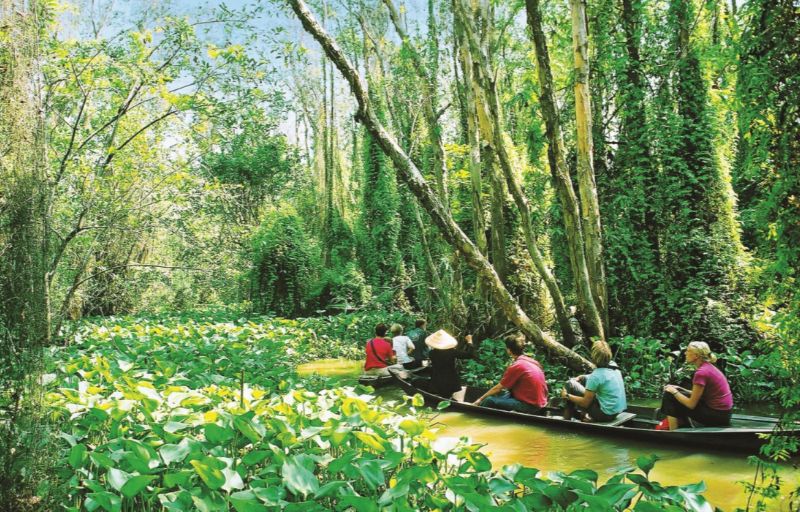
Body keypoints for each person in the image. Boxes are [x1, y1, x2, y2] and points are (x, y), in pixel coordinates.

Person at [659, 341, 733, 430]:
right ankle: (683, 425)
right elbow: (699, 395)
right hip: (725, 415)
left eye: (688, 351)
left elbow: (691, 404)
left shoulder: (701, 373)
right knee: (675, 392)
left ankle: (673, 431)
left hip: (717, 416)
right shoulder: (708, 367)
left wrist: (674, 392)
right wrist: (679, 389)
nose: (685, 353)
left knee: (669, 395)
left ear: (696, 356)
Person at [473, 335, 548, 414]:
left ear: (509, 350)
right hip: (541, 403)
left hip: (530, 406)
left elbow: (498, 388)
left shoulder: (517, 365)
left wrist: (480, 399)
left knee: (489, 401)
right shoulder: (535, 362)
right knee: (506, 394)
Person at [561, 340, 627, 422]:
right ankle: (583, 415)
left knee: (570, 384)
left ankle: (566, 420)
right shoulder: (614, 366)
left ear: (594, 357)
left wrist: (567, 396)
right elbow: (603, 377)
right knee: (584, 379)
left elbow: (585, 403)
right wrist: (583, 377)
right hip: (617, 412)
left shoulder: (596, 376)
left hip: (605, 415)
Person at [426, 330, 475, 399]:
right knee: (447, 397)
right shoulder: (451, 352)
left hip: (436, 379)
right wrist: (469, 341)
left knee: (439, 397)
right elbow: (470, 355)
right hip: (449, 379)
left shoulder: (431, 353)